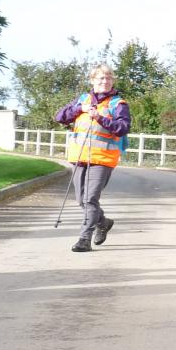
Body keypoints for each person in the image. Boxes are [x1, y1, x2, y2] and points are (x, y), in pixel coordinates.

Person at [54, 65, 131, 253]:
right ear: (92, 80)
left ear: (112, 81)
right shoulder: (83, 100)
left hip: (103, 159)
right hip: (79, 157)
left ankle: (84, 239)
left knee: (90, 199)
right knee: (82, 200)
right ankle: (103, 222)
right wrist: (80, 109)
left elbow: (123, 128)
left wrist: (100, 118)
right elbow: (60, 117)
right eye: (100, 78)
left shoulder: (118, 104)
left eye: (108, 78)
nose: (104, 81)